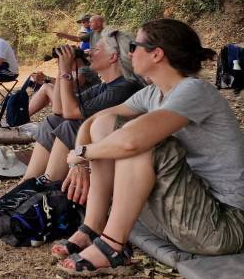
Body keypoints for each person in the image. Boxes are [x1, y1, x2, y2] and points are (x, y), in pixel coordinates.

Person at [55, 19, 244, 275]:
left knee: (142, 140)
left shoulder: (194, 91)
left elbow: (133, 142)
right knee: (107, 124)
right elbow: (94, 121)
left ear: (157, 54)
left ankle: (112, 246)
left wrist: (81, 155)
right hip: (187, 212)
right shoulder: (153, 93)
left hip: (224, 223)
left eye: (135, 46)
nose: (129, 52)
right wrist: (80, 157)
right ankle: (93, 226)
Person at [20, 30, 142, 182]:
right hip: (99, 140)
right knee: (52, 122)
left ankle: (49, 183)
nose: (89, 53)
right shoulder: (104, 86)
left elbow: (71, 113)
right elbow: (59, 109)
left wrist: (66, 71)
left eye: (96, 49)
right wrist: (61, 69)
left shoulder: (123, 87)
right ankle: (27, 181)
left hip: (116, 148)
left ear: (113, 57)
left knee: (70, 127)